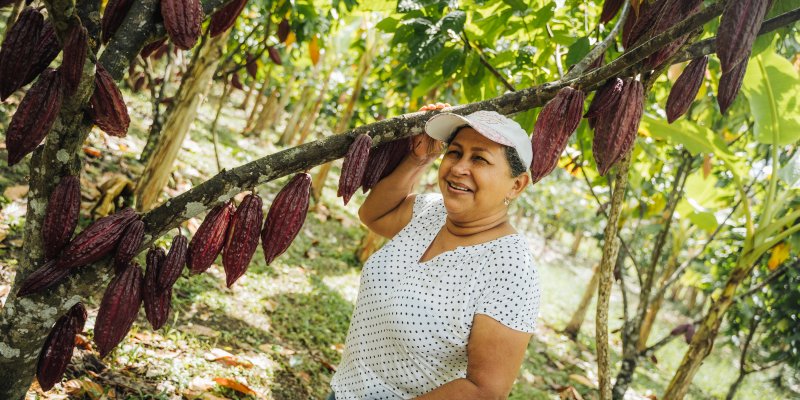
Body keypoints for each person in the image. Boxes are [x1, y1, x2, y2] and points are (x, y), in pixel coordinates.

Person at [328, 104, 541, 399]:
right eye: (454, 152)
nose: (458, 167)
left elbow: (486, 390)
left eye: (479, 158)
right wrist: (419, 158)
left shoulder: (511, 272)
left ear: (517, 185)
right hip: (345, 389)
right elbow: (372, 215)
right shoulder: (430, 211)